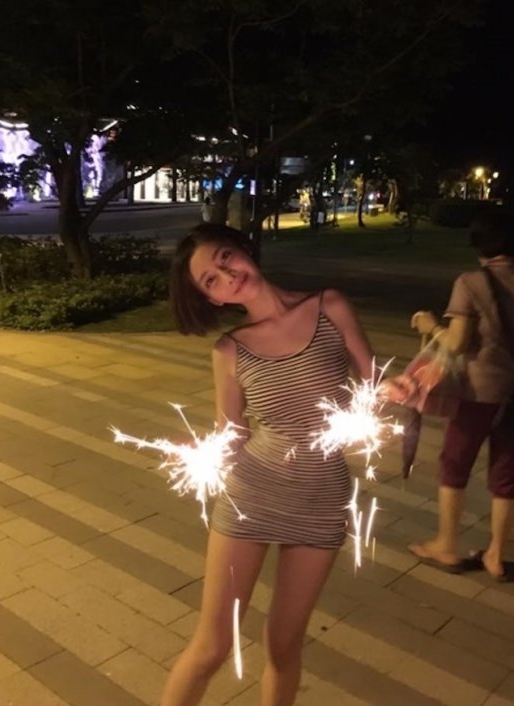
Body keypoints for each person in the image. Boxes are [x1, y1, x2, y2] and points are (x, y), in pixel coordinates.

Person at [163, 223, 399, 706]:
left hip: (322, 503)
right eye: (211, 280)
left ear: (243, 250)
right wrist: (200, 450)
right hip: (252, 499)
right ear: (213, 299)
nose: (228, 276)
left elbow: (375, 385)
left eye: (225, 258)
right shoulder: (229, 350)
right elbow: (233, 435)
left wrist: (404, 387)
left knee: (283, 644)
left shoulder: (330, 307)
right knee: (212, 646)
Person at [403, 212, 514, 580]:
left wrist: (430, 325)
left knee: (454, 464)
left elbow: (457, 343)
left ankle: (446, 545)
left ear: (480, 245)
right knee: (505, 472)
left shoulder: (471, 283)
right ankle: (496, 555)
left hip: (475, 394)